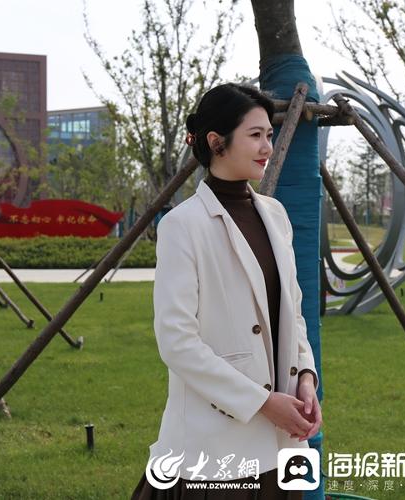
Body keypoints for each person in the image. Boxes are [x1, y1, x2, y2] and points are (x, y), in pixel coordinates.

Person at [131, 83, 322, 500]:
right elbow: (177, 343)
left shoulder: (276, 215)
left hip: (284, 443)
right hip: (215, 445)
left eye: (269, 135)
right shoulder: (183, 225)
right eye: (255, 135)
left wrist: (306, 378)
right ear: (217, 142)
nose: (267, 147)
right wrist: (261, 402)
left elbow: (293, 312)